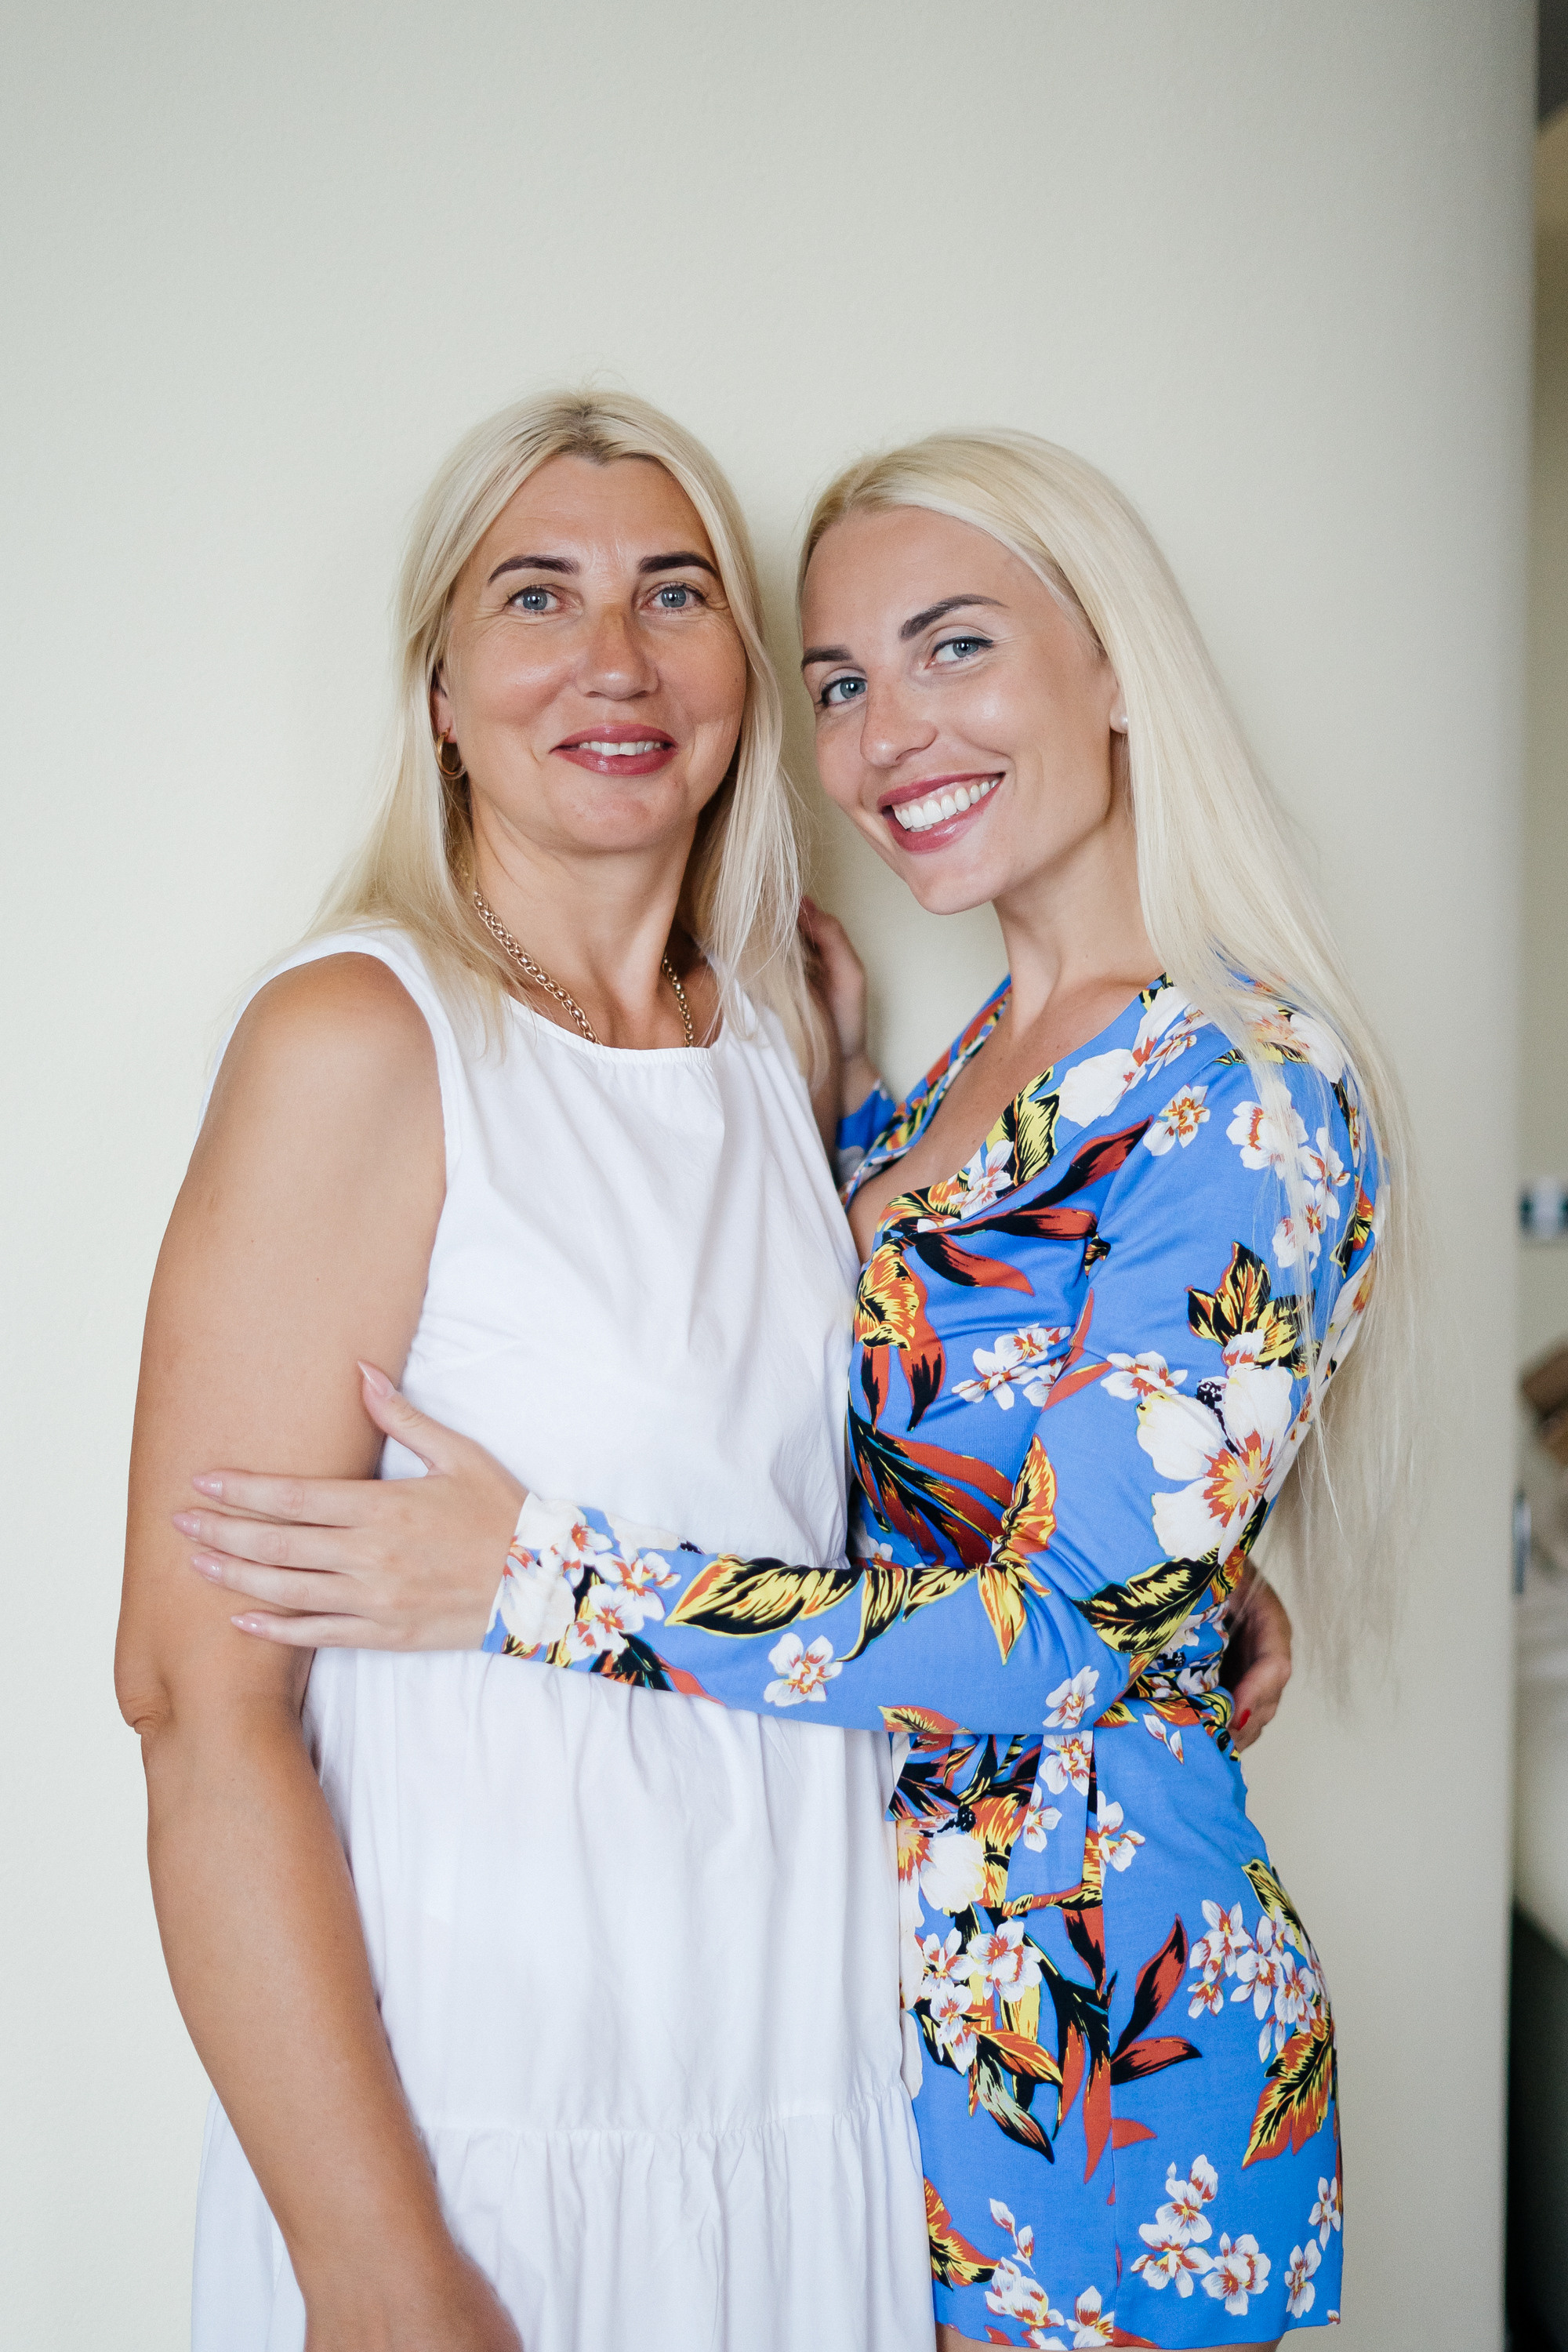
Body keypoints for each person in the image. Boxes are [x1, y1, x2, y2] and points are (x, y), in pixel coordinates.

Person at [174, 430, 1400, 2352]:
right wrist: (1187, 1566)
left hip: (1091, 2076)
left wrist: (530, 1580)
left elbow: (1063, 1624)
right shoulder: (911, 1083)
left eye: (953, 647)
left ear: (1114, 672)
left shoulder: (1239, 1090)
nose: (890, 730)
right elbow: (874, 1434)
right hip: (843, 2060)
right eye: (842, 681)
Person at [114, 390, 939, 2352]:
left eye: (674, 594)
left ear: (741, 666)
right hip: (482, 2133)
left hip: (791, 2084)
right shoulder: (361, 1037)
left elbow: (841, 1494)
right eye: (536, 597)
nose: (613, 660)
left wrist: (1188, 1599)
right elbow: (190, 1707)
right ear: (439, 690)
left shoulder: (772, 1038)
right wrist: (375, 2269)